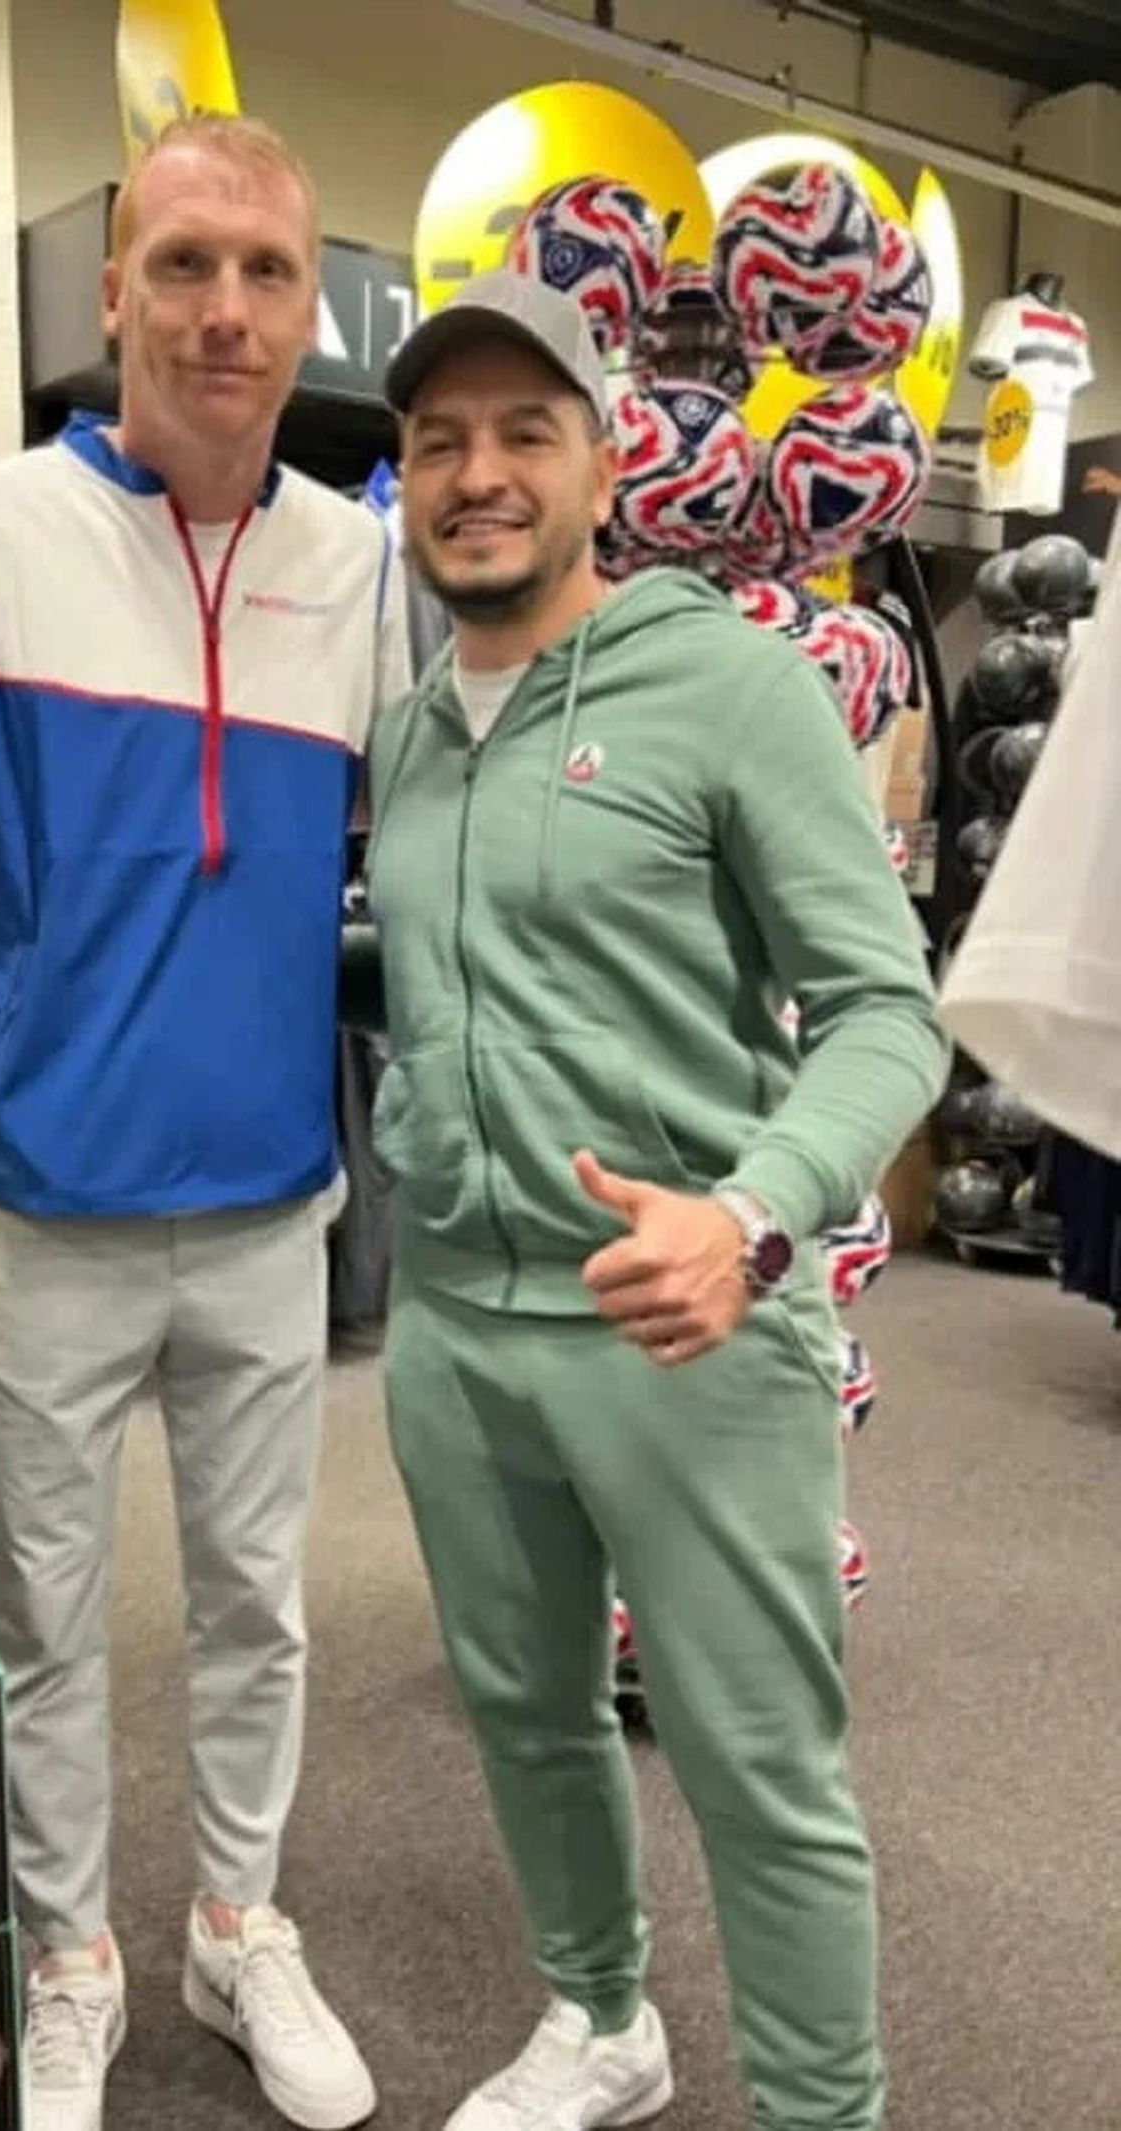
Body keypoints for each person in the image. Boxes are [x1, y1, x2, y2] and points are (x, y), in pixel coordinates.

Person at [0, 113, 407, 2131]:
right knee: (46, 1624)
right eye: (184, 264)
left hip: (267, 1205)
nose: (225, 311)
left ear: (308, 305)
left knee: (260, 1610)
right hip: (31, 1207)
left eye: (265, 271)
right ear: (112, 293)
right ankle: (68, 1953)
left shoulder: (365, 567)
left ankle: (235, 1926)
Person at [364, 271, 949, 2131]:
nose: (479, 474)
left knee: (761, 1768)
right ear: (405, 479)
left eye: (524, 433)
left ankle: (822, 2115)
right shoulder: (407, 733)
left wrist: (755, 1215)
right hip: (458, 1325)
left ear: (604, 468)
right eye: (440, 441)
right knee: (529, 1719)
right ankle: (603, 2021)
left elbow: (890, 1015)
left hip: (687, 1322)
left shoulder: (731, 687)